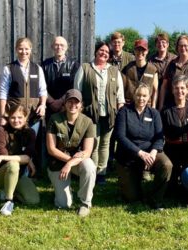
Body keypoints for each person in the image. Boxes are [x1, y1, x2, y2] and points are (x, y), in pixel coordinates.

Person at [74, 41, 125, 184]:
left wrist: (119, 109)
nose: (104, 53)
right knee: (94, 143)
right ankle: (93, 172)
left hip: (109, 114)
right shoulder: (85, 68)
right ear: (96, 51)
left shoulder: (114, 71)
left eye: (107, 52)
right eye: (101, 50)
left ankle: (102, 173)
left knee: (105, 144)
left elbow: (120, 94)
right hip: (91, 115)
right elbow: (77, 91)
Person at [115, 84, 173, 210]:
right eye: (139, 95)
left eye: (144, 96)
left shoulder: (154, 113)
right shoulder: (124, 112)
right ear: (134, 96)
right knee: (132, 197)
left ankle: (156, 198)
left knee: (166, 164)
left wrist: (152, 153)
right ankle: (130, 184)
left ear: (149, 97)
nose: (141, 98)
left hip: (150, 152)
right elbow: (120, 136)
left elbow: (159, 136)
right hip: (128, 156)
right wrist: (140, 153)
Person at [46, 89, 96, 217]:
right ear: (64, 103)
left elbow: (87, 151)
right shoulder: (54, 119)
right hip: (57, 163)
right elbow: (51, 149)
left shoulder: (88, 122)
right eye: (70, 101)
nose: (73, 105)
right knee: (64, 204)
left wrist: (70, 164)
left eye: (76, 102)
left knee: (89, 165)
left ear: (81, 105)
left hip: (77, 162)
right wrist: (69, 161)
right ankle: (63, 191)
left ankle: (85, 203)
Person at [0, 104, 40, 216]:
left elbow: (27, 157)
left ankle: (11, 191)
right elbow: (5, 156)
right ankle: (8, 201)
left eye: (20, 117)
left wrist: (3, 157)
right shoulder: (1, 130)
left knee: (33, 200)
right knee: (13, 164)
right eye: (12, 117)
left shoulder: (30, 133)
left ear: (25, 118)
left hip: (19, 175)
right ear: (8, 118)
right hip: (0, 175)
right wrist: (21, 159)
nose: (16, 120)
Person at [0, 37, 47, 133]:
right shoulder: (9, 68)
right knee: (14, 145)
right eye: (20, 48)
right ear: (16, 49)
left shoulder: (37, 68)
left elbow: (43, 90)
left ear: (30, 49)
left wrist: (42, 105)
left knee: (31, 144)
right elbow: (3, 93)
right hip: (15, 116)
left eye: (26, 49)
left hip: (33, 115)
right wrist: (3, 116)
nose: (23, 51)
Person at [161, 75, 188, 186]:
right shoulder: (165, 111)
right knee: (171, 186)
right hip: (171, 150)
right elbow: (161, 134)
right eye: (177, 88)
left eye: (182, 88)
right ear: (172, 90)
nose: (180, 91)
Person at [158, 35, 188, 110]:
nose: (183, 48)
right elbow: (164, 87)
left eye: (185, 45)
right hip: (172, 107)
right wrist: (161, 106)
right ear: (177, 48)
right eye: (180, 46)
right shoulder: (171, 64)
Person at [42, 36, 80, 118]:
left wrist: (61, 101)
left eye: (62, 45)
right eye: (56, 45)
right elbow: (41, 86)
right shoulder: (44, 65)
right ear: (52, 47)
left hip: (68, 106)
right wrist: (52, 102)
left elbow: (74, 86)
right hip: (50, 107)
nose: (59, 47)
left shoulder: (74, 65)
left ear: (66, 48)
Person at [122, 39, 159, 108]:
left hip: (147, 106)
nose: (140, 52)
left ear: (147, 51)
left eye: (143, 50)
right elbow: (122, 88)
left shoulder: (153, 69)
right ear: (134, 51)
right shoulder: (127, 68)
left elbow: (155, 90)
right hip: (129, 105)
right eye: (138, 50)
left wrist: (153, 106)